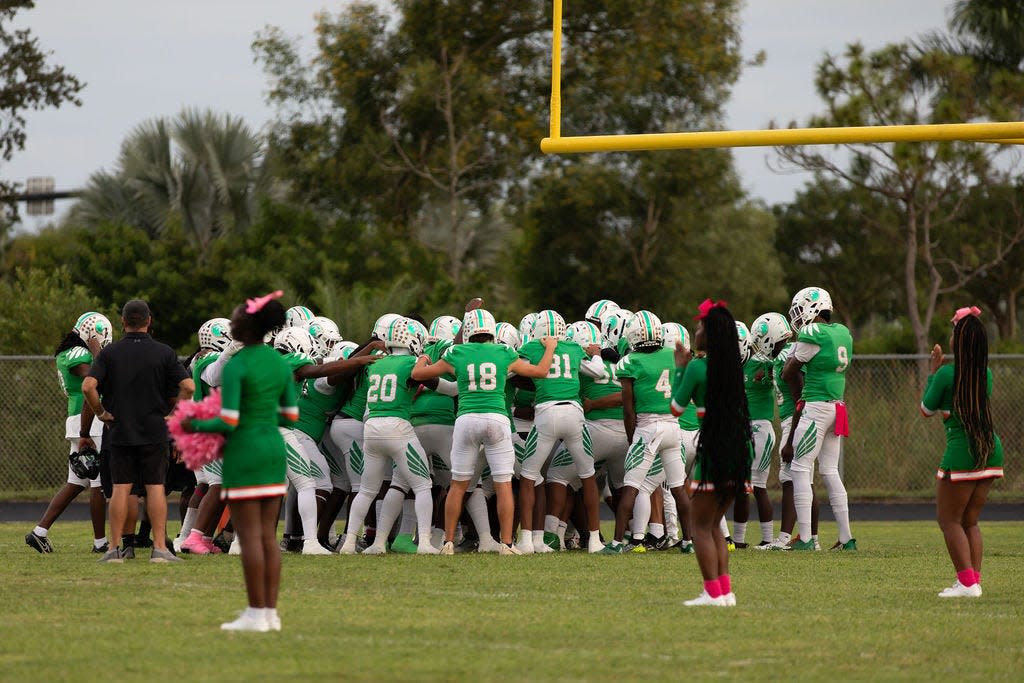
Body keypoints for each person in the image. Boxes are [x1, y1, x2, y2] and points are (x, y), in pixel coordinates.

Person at [185, 292, 297, 632]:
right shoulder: (280, 362)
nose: (231, 321)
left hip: (245, 451)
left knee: (249, 538)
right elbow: (291, 417)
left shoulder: (236, 365)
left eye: (235, 317)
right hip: (273, 449)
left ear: (246, 326)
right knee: (267, 536)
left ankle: (254, 613)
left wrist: (194, 424)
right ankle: (270, 615)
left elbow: (229, 421)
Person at [412, 307, 557, 554]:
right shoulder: (504, 351)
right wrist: (551, 347)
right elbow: (541, 372)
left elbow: (418, 374)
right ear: (491, 330)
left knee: (458, 484)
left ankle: (447, 541)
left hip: (466, 419)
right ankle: (507, 544)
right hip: (497, 418)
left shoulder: (456, 352)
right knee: (502, 484)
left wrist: (424, 357)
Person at [81, 300, 192, 564]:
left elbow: (87, 386)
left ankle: (115, 548)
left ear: (122, 322)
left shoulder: (110, 354)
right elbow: (188, 386)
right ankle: (159, 549)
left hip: (119, 429)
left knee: (121, 489)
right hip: (154, 430)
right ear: (149, 321)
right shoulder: (164, 353)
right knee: (155, 487)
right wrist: (174, 415)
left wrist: (100, 413)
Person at [672, 300, 753, 607]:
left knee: (699, 526)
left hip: (715, 450)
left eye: (701, 325)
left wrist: (681, 370)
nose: (696, 330)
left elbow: (676, 408)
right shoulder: (733, 368)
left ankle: (711, 592)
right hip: (739, 450)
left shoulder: (696, 367)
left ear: (711, 334)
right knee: (715, 523)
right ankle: (724, 592)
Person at [921, 306, 1004, 598]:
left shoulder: (945, 374)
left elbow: (926, 409)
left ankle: (967, 584)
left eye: (955, 332)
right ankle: (973, 582)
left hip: (962, 450)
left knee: (949, 521)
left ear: (960, 340)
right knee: (971, 521)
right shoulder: (987, 374)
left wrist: (933, 373)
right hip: (990, 449)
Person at [26, 313, 112, 554]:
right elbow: (95, 374)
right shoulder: (77, 354)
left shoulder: (68, 352)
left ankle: (39, 532)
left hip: (79, 418)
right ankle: (100, 543)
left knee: (76, 482)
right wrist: (96, 348)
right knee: (98, 484)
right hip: (88, 418)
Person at [780, 287, 856, 551]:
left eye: (800, 310)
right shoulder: (842, 332)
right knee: (830, 471)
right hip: (838, 407)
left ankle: (805, 538)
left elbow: (789, 371)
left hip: (816, 407)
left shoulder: (812, 333)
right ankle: (846, 538)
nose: (798, 317)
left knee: (800, 469)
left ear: (814, 308)